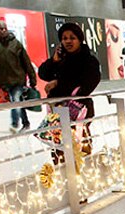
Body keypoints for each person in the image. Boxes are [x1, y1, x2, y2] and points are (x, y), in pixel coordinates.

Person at [38, 23, 102, 162]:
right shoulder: (60, 59)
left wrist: (57, 83)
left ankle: (84, 177)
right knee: (59, 150)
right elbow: (43, 73)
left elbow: (89, 82)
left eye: (72, 38)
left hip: (78, 111)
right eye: (65, 38)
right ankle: (64, 177)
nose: (68, 41)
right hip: (58, 112)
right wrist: (53, 61)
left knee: (81, 150)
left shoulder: (88, 60)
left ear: (79, 39)